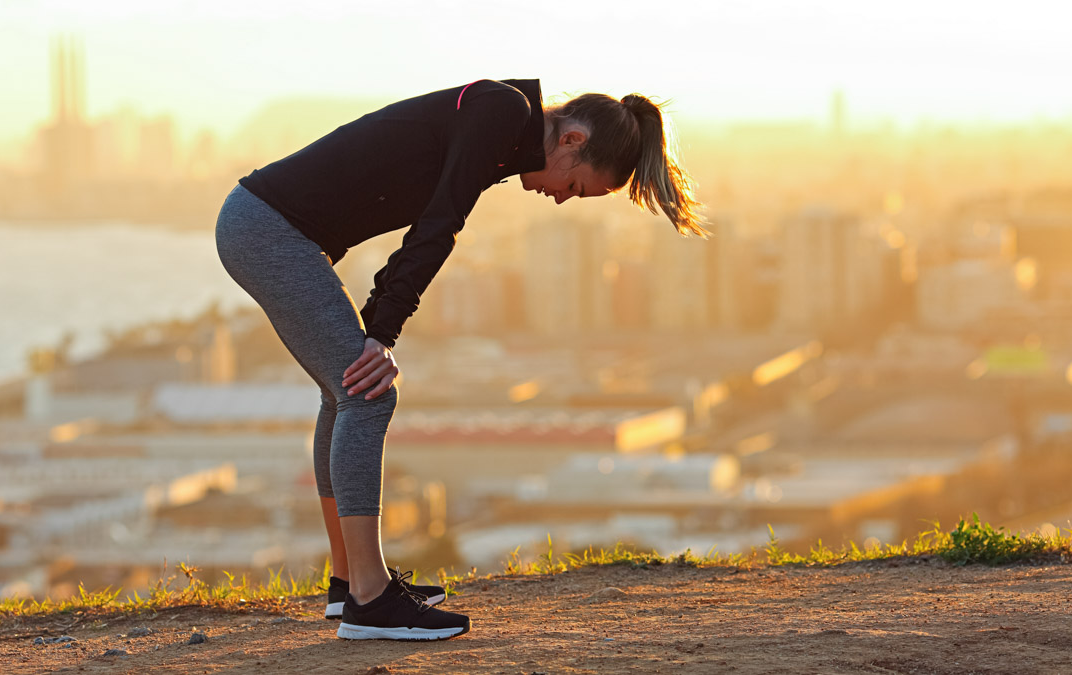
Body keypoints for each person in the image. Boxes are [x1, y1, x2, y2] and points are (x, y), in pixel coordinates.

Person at [214, 78, 708, 641]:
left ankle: (350, 582)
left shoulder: (501, 125)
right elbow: (438, 224)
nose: (563, 198)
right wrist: (381, 334)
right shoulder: (500, 112)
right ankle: (369, 601)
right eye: (575, 184)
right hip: (269, 230)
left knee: (344, 389)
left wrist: (377, 326)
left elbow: (426, 221)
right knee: (367, 391)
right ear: (571, 138)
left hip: (269, 226)